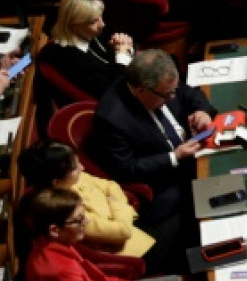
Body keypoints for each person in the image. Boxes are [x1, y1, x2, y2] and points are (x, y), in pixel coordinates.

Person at [22, 188, 184, 281]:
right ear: (54, 230)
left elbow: (101, 280)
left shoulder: (54, 244)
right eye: (78, 220)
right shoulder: (60, 272)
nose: (86, 222)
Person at [90, 50, 216, 226]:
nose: (173, 97)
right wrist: (174, 156)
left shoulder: (162, 82)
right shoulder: (111, 119)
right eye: (167, 95)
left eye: (174, 90)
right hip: (166, 179)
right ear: (141, 90)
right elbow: (127, 167)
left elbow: (190, 93)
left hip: (196, 149)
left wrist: (201, 111)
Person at [19, 142, 154, 259]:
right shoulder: (65, 209)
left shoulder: (74, 178)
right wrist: (115, 204)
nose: (82, 168)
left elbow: (110, 185)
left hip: (135, 222)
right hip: (132, 250)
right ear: (56, 182)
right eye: (74, 168)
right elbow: (123, 231)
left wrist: (117, 213)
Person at [38, 0, 133, 100]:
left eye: (100, 17)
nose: (102, 24)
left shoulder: (91, 32)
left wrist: (121, 47)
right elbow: (114, 92)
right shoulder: (70, 59)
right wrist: (122, 54)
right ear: (74, 24)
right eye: (94, 21)